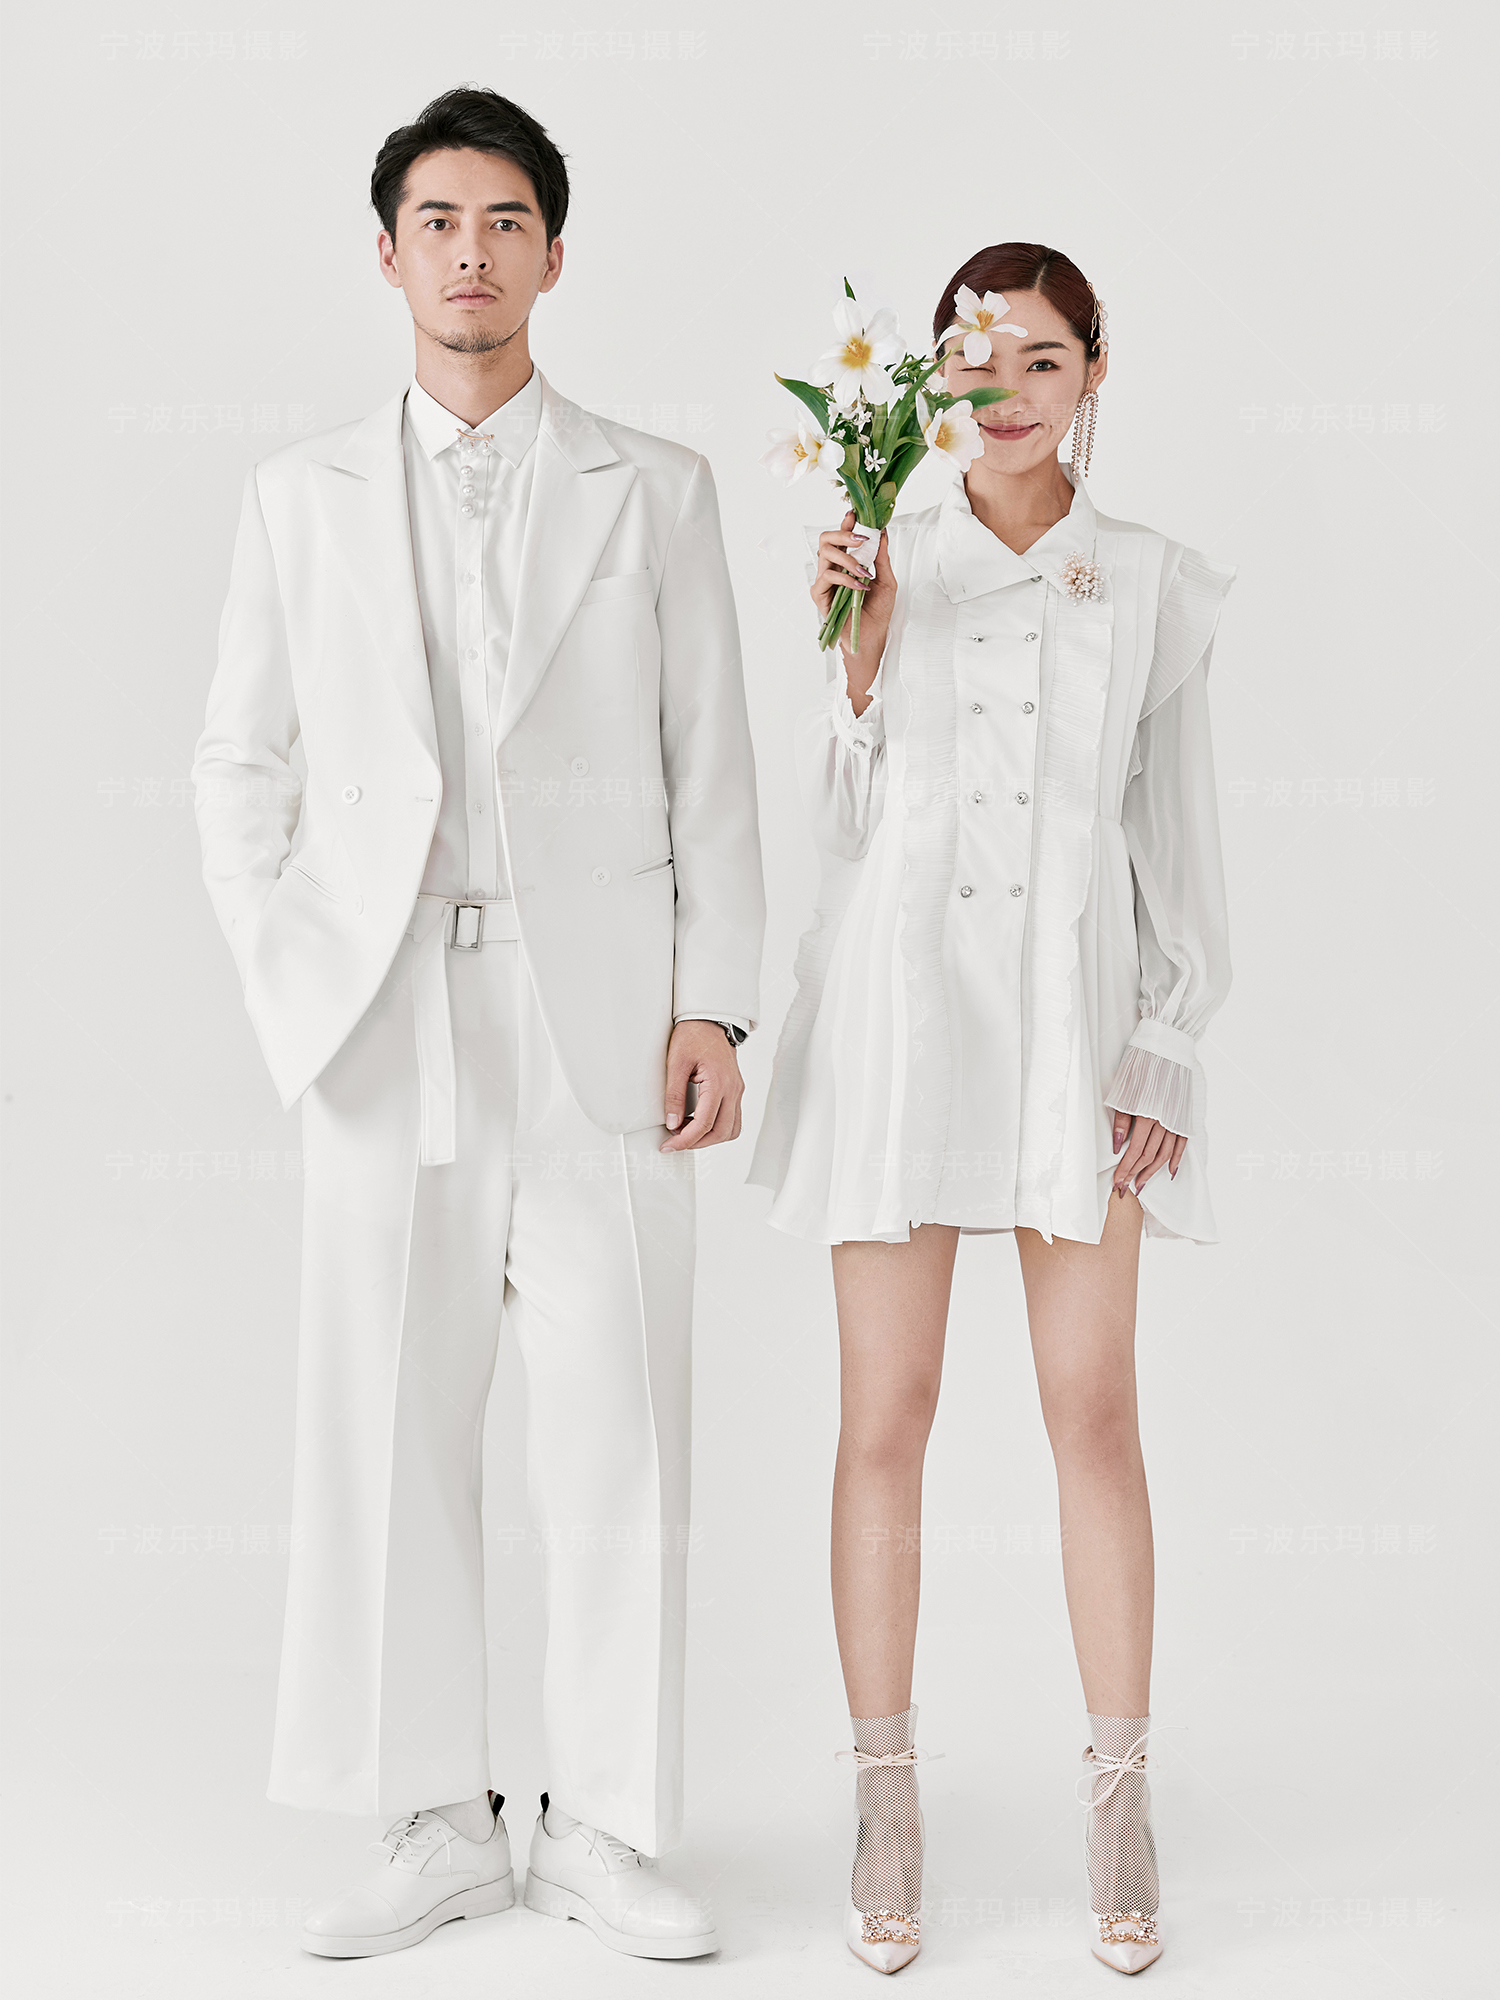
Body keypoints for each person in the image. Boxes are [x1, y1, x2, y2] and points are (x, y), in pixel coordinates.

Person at [193, 86, 763, 1963]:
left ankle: (600, 1823)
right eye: (438, 221)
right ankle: (434, 1819)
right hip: (386, 1014)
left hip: (603, 1023)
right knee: (385, 1423)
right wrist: (297, 976)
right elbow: (239, 764)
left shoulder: (657, 487)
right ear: (387, 253)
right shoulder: (300, 496)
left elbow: (712, 763)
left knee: (619, 1433)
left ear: (554, 255)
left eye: (505, 221)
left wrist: (715, 1003)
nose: (470, 253)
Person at [748, 243, 1235, 1976]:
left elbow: (1174, 830)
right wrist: (860, 651)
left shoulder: (1149, 581)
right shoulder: (884, 551)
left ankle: (1119, 1789)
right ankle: (884, 1791)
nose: (1007, 390)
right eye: (975, 361)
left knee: (1093, 1411)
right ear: (930, 381)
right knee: (885, 1411)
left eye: (1042, 359)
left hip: (1067, 1032)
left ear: (1095, 371)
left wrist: (1166, 1036)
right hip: (903, 1022)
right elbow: (841, 821)